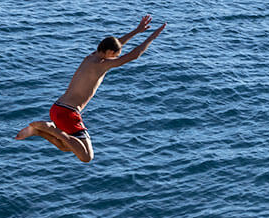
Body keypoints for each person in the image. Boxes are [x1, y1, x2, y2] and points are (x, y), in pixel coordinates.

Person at [15, 14, 166, 163]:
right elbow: (133, 55)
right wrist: (152, 37)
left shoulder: (91, 57)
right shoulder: (101, 64)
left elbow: (116, 43)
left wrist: (136, 31)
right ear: (109, 53)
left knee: (67, 145)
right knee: (86, 157)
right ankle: (49, 128)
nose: (115, 58)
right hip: (68, 112)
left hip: (57, 108)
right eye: (115, 55)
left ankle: (38, 131)